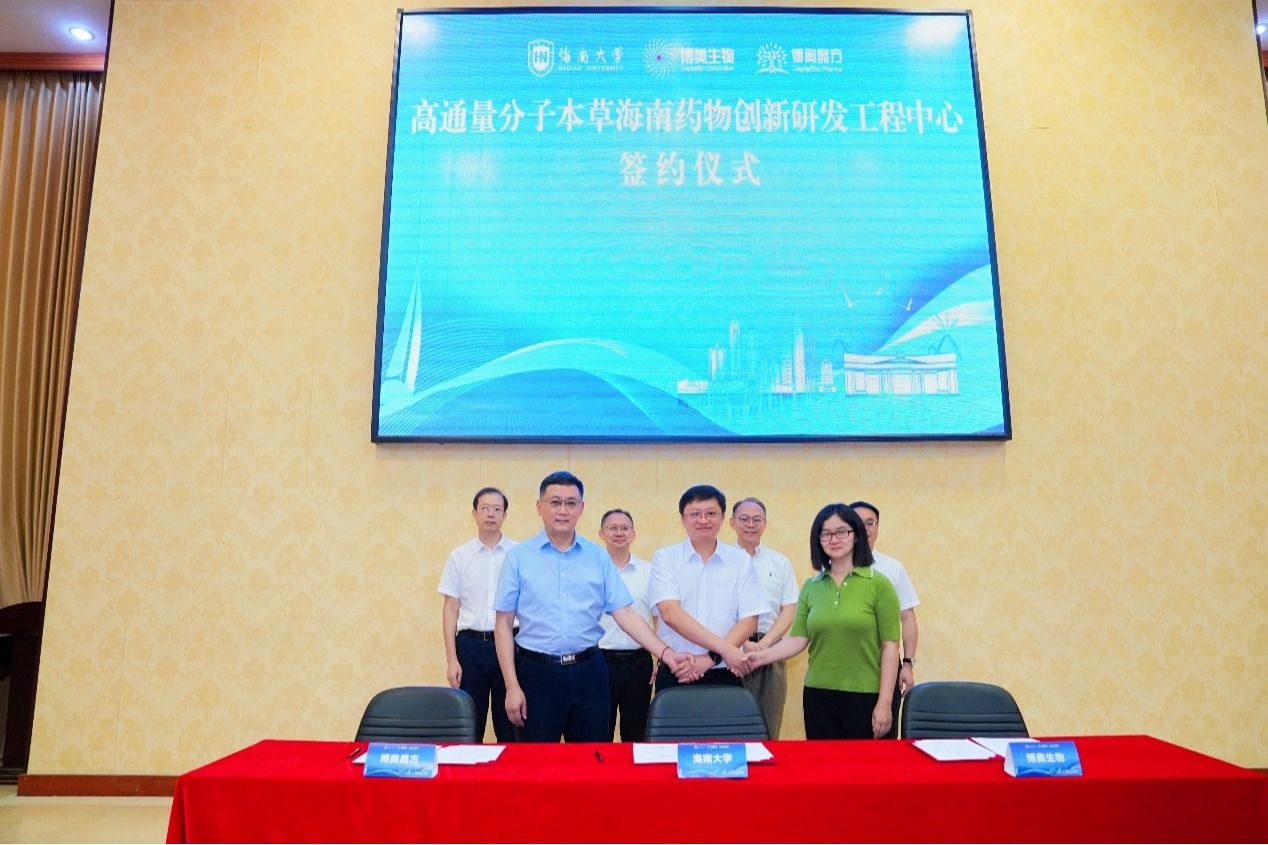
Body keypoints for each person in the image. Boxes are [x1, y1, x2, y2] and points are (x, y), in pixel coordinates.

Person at [493, 471, 690, 742]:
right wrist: (511, 686)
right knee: (537, 760)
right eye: (555, 502)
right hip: (536, 674)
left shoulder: (598, 557)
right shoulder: (518, 558)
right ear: (540, 507)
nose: (563, 510)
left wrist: (666, 653)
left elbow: (625, 614)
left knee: (592, 756)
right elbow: (503, 624)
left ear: (581, 508)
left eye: (571, 503)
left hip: (589, 673)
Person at [748, 504, 900, 739]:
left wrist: (885, 702)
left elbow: (891, 646)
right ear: (818, 540)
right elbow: (798, 639)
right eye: (826, 533)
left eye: (842, 532)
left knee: (867, 764)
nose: (834, 539)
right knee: (823, 763)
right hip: (818, 695)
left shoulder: (879, 584)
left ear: (856, 535)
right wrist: (759, 657)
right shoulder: (811, 586)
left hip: (867, 696)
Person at [649, 484, 762, 690]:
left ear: (723, 518)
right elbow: (670, 614)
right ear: (683, 519)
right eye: (695, 514)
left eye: (711, 513)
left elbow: (749, 621)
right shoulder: (665, 558)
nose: (703, 520)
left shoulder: (741, 561)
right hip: (678, 670)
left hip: (725, 672)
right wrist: (722, 650)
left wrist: (710, 659)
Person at [437, 487, 517, 743]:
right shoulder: (459, 557)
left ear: (504, 515)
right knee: (470, 721)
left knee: (511, 721)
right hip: (470, 647)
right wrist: (452, 659)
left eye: (497, 509)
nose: (490, 514)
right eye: (485, 508)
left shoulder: (519, 555)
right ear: (474, 514)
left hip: (511, 644)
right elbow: (450, 609)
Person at [851, 500, 921, 739]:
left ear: (877, 528)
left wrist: (908, 664)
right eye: (858, 523)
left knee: (881, 739)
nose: (865, 528)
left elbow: (908, 618)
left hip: (884, 665)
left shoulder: (892, 568)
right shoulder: (829, 569)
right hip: (844, 667)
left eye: (870, 523)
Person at [731, 497, 798, 739]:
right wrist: (742, 644)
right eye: (744, 519)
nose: (751, 524)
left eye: (757, 519)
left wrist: (765, 645)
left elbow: (789, 607)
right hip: (730, 653)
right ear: (732, 522)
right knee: (730, 725)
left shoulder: (779, 562)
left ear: (765, 523)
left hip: (771, 652)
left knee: (768, 726)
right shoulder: (723, 560)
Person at [596, 509, 655, 742]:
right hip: (600, 661)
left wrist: (657, 659)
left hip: (639, 662)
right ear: (601, 533)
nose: (619, 533)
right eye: (612, 528)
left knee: (636, 732)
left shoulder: (649, 572)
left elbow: (659, 618)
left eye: (624, 528)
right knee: (599, 730)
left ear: (633, 533)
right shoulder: (591, 570)